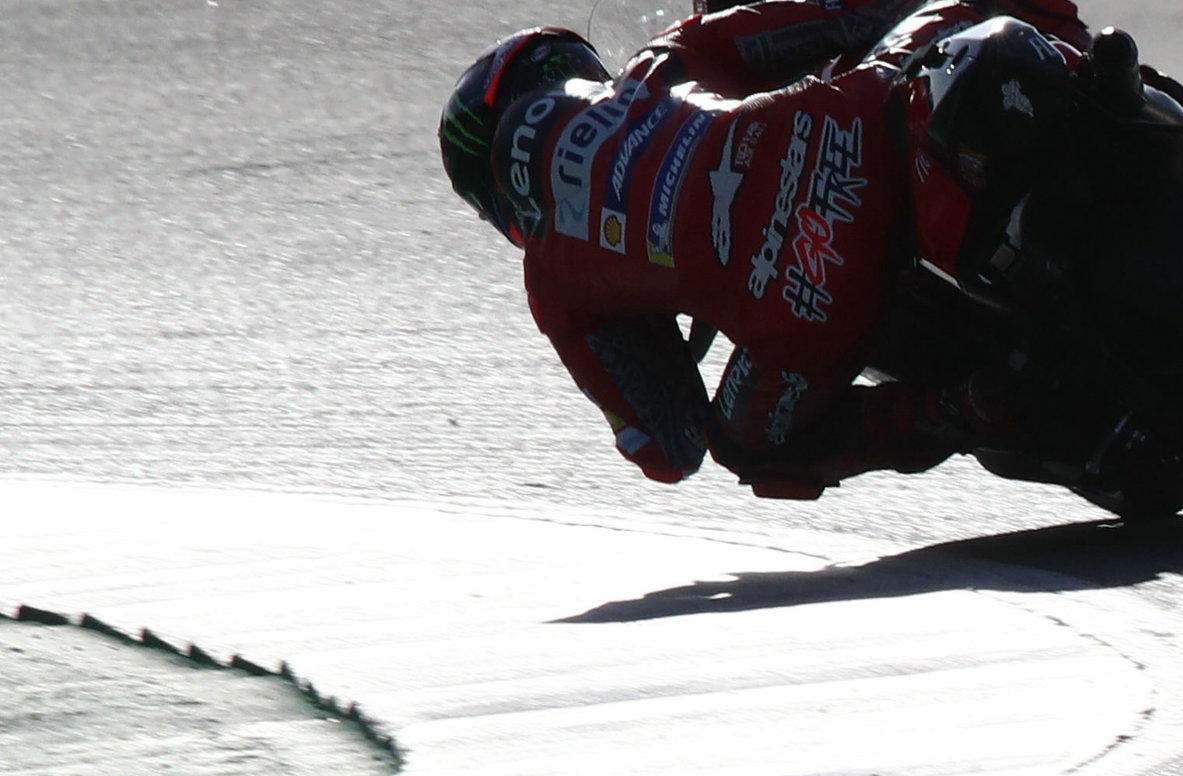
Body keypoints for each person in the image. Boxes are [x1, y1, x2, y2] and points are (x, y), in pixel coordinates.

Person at [439, 0, 1095, 499]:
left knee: (742, 445)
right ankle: (1117, 93)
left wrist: (650, 312)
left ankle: (958, 405)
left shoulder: (554, 283)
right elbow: (835, 22)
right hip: (866, 123)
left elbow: (669, 448)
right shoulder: (662, 65)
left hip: (808, 299)